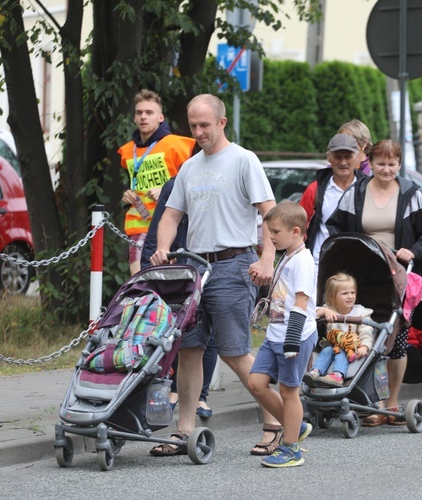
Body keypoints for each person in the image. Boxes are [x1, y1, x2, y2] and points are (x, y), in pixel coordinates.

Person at [149, 93, 280, 456]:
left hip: (233, 264)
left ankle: (275, 422)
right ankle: (184, 431)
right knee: (189, 351)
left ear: (222, 122)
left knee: (234, 351)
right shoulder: (190, 167)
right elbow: (171, 217)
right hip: (194, 268)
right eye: (193, 125)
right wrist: (163, 248)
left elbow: (270, 213)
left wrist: (267, 258)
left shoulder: (243, 160)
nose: (199, 131)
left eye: (205, 125)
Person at [326, 139, 422, 425]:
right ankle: (372, 402)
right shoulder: (356, 192)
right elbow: (335, 227)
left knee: (396, 340)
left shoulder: (412, 193)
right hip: (363, 274)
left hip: (397, 274)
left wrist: (413, 250)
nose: (386, 169)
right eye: (380, 163)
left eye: (392, 164)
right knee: (366, 336)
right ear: (369, 163)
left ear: (399, 164)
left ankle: (392, 402)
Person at [140, 176, 216, 419]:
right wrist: (148, 266)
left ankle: (200, 396)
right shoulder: (177, 183)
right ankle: (175, 391)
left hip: (208, 266)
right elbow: (160, 225)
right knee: (179, 336)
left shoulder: (219, 180)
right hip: (179, 268)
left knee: (207, 335)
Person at [248, 201, 318, 468]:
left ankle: (291, 449)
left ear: (296, 231)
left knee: (289, 391)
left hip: (294, 336)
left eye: (275, 232)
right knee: (256, 382)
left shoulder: (302, 261)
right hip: (275, 333)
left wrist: (292, 338)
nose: (271, 237)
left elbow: (301, 302)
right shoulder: (287, 255)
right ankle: (294, 426)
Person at [118, 89, 196, 275]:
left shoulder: (177, 145)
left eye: (149, 112)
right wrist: (127, 194)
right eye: (139, 113)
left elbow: (192, 180)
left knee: (168, 281)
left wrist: (166, 189)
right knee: (139, 281)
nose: (143, 117)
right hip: (139, 224)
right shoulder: (128, 151)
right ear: (134, 118)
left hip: (170, 225)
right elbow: (136, 181)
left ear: (160, 117)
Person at [300, 134, 367, 268]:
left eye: (348, 157)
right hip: (321, 265)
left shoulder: (368, 189)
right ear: (329, 157)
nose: (343, 162)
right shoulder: (315, 190)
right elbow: (298, 228)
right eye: (338, 157)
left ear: (357, 158)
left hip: (359, 266)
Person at [302, 273, 374, 388]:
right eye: (345, 293)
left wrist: (365, 347)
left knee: (340, 352)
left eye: (352, 292)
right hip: (333, 346)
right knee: (326, 351)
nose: (350, 296)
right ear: (332, 296)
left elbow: (367, 333)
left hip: (352, 350)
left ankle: (337, 375)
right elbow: (311, 316)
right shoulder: (330, 310)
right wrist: (324, 311)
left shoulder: (361, 313)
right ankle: (315, 372)